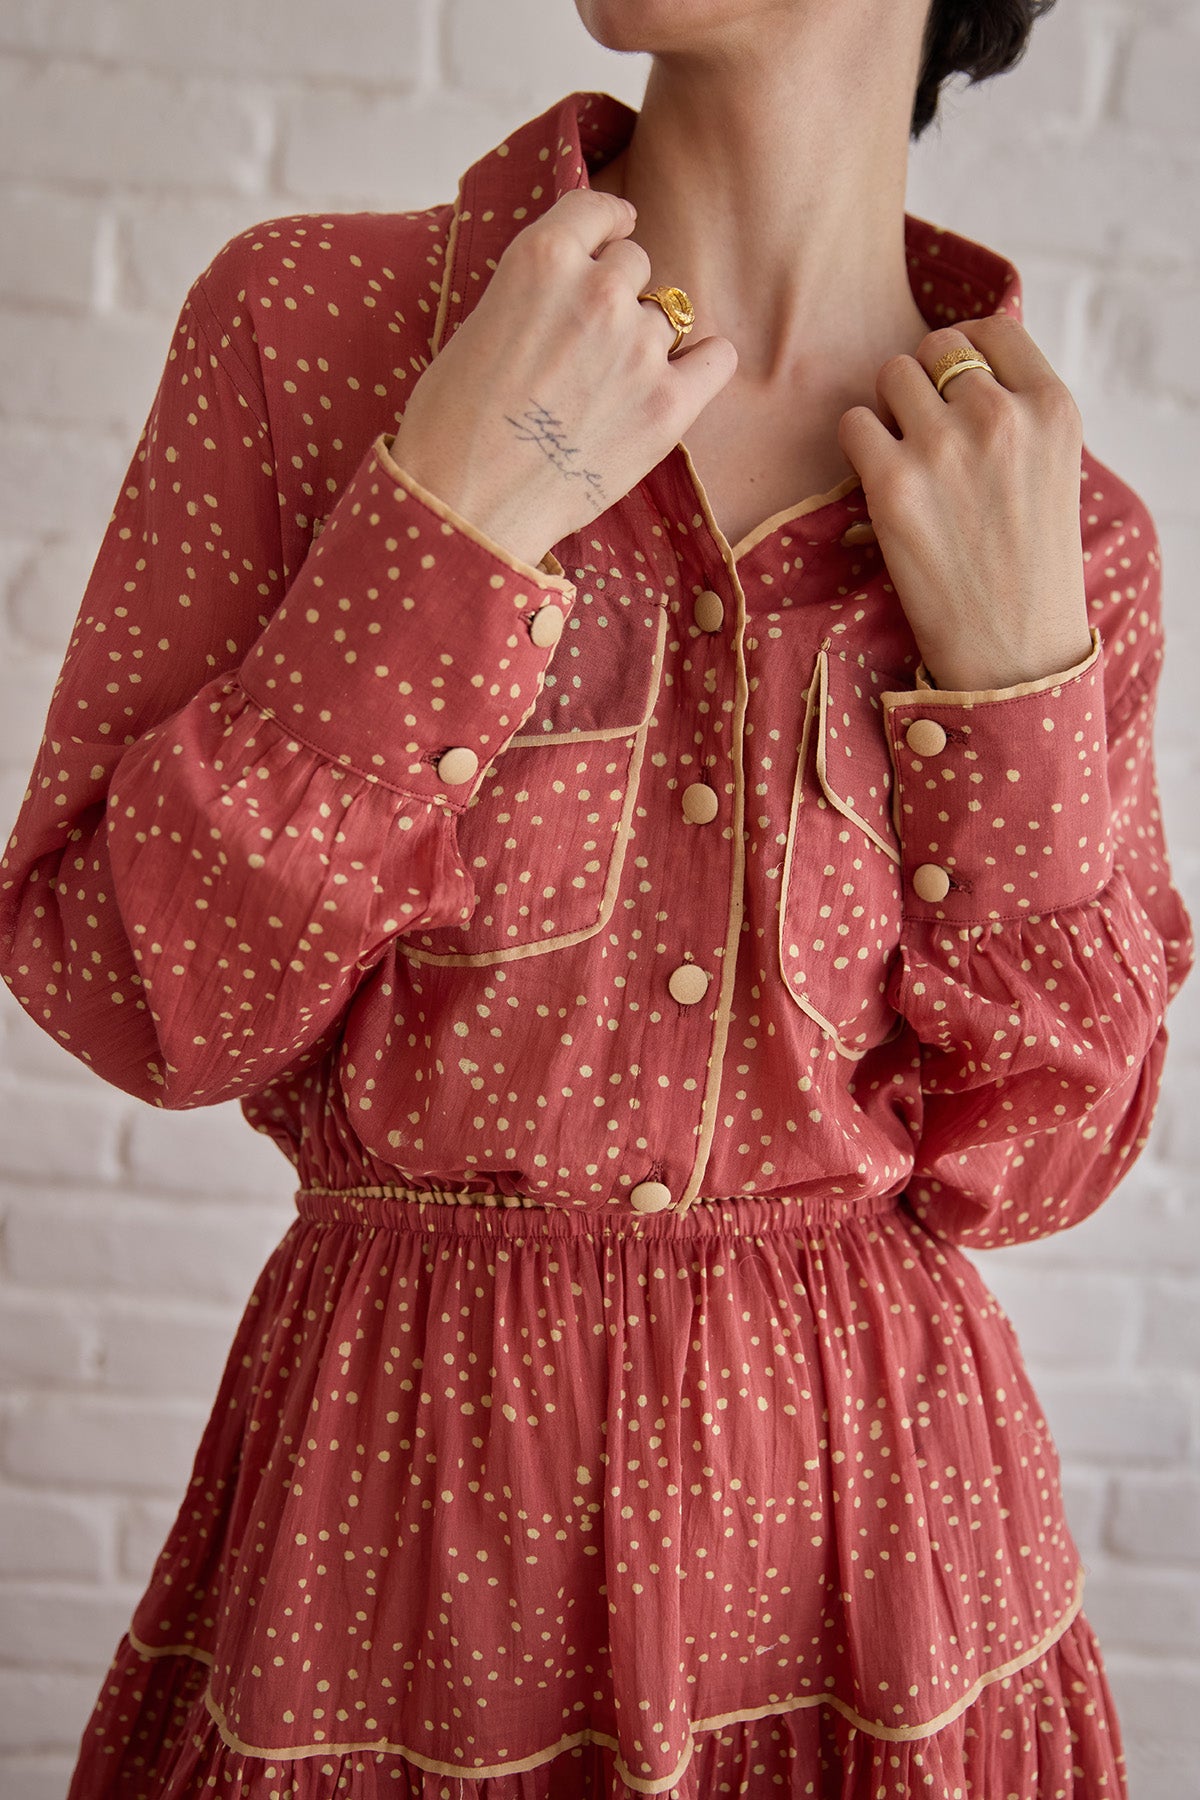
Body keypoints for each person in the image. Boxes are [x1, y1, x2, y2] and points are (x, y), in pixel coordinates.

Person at [0, 0, 1192, 1793]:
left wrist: (1016, 672)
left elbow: (1036, 1163)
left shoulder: (1058, 523)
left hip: (880, 1575)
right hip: (399, 1556)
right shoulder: (316, 335)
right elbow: (126, 991)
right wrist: (452, 508)